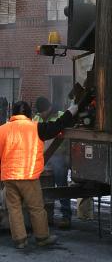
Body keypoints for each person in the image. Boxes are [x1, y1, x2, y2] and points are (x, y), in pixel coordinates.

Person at [0, 100, 78, 249]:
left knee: (14, 209)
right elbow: (57, 127)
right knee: (36, 207)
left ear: (13, 114)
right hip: (28, 176)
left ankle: (20, 240)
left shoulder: (2, 130)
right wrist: (70, 112)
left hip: (9, 177)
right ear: (29, 114)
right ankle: (42, 237)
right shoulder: (36, 128)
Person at [33, 97, 72, 229]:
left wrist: (66, 155)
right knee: (42, 188)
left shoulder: (61, 116)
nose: (41, 115)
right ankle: (45, 215)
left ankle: (66, 216)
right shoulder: (37, 118)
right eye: (39, 113)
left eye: (42, 112)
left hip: (59, 157)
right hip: (42, 159)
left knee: (61, 187)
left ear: (48, 108)